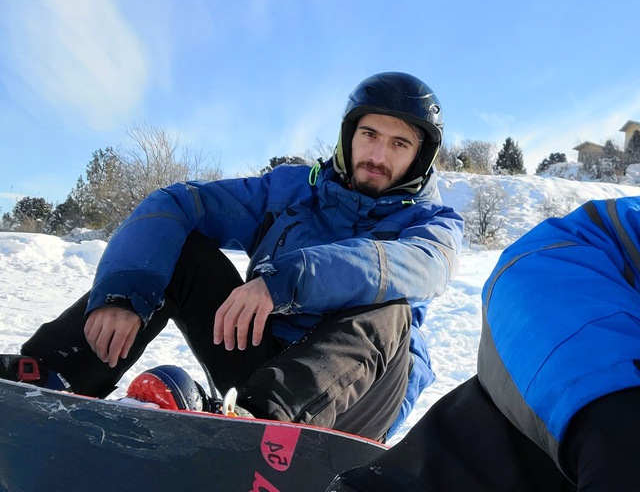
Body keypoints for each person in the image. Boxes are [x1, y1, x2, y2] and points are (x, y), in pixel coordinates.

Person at [0, 71, 463, 441]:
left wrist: (283, 281)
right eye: (369, 134)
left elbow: (411, 266)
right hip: (261, 367)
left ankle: (258, 427)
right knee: (183, 253)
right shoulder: (289, 191)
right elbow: (178, 203)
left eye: (399, 144)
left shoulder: (435, 224)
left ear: (420, 157)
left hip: (358, 397)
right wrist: (125, 293)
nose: (378, 155)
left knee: (390, 308)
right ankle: (51, 376)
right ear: (348, 135)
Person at [327, 195, 640, 490]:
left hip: (386, 359)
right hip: (567, 313)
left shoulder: (432, 219)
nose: (379, 160)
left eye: (399, 153)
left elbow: (420, 267)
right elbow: (560, 248)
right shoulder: (296, 192)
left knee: (386, 316)